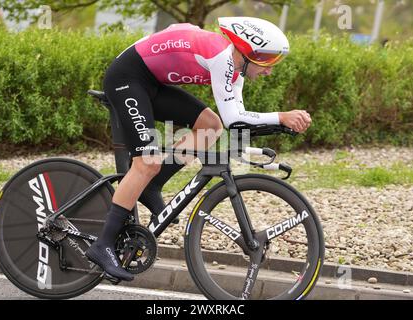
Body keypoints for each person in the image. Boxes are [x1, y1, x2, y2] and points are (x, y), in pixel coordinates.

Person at [85, 16, 312, 281]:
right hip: (127, 78)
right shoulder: (223, 59)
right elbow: (236, 120)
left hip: (150, 83)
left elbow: (234, 123)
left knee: (209, 126)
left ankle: (151, 185)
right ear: (249, 51)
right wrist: (281, 117)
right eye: (267, 62)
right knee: (146, 162)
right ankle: (103, 245)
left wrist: (261, 139)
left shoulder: (234, 67)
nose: (269, 70)